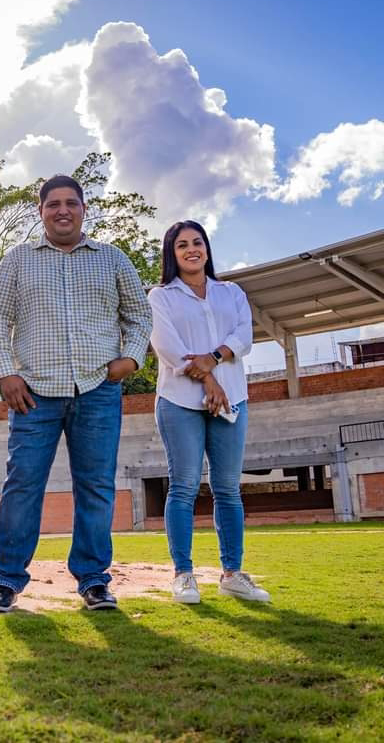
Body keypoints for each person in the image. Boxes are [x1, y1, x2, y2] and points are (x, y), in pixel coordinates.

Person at [0, 174, 151, 612]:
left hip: (97, 389)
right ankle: (6, 579)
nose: (62, 210)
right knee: (22, 484)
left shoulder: (113, 259)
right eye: (52, 203)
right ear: (40, 211)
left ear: (83, 209)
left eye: (70, 203)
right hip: (33, 392)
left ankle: (94, 580)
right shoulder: (17, 260)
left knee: (96, 486)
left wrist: (131, 359)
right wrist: (5, 373)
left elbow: (139, 315)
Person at [148, 220, 270, 604]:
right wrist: (209, 381)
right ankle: (183, 574)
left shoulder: (231, 292)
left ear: (206, 248)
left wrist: (214, 359)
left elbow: (243, 336)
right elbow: (168, 347)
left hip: (232, 400)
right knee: (183, 486)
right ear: (172, 254)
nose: (191, 249)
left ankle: (232, 573)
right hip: (179, 401)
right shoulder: (160, 297)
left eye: (197, 242)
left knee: (228, 489)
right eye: (182, 244)